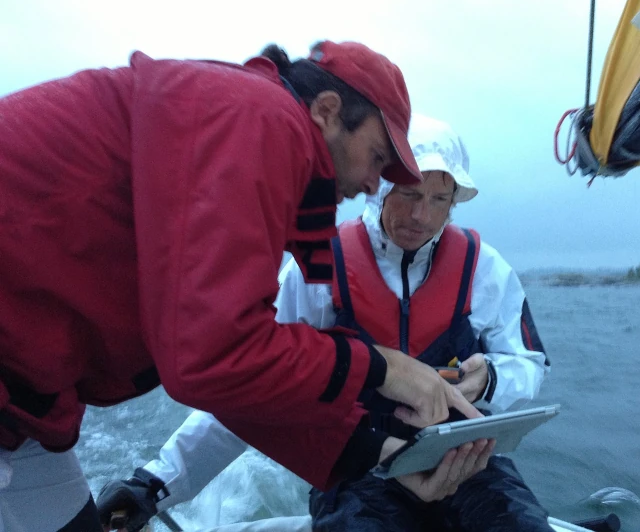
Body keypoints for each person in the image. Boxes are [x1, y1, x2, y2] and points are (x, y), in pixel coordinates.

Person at [0, 42, 481, 532]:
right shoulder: (259, 116)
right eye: (377, 158)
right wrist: (384, 367)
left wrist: (379, 455)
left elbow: (236, 378)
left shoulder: (237, 123)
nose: (372, 185)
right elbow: (215, 356)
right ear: (328, 112)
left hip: (23, 408)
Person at [96, 115, 553, 532]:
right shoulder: (317, 269)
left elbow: (530, 365)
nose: (421, 215)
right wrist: (155, 483)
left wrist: (491, 378)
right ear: (381, 189)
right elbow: (249, 387)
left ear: (456, 202)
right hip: (359, 470)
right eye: (410, 194)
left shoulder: (486, 270)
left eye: (439, 200)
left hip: (467, 462)